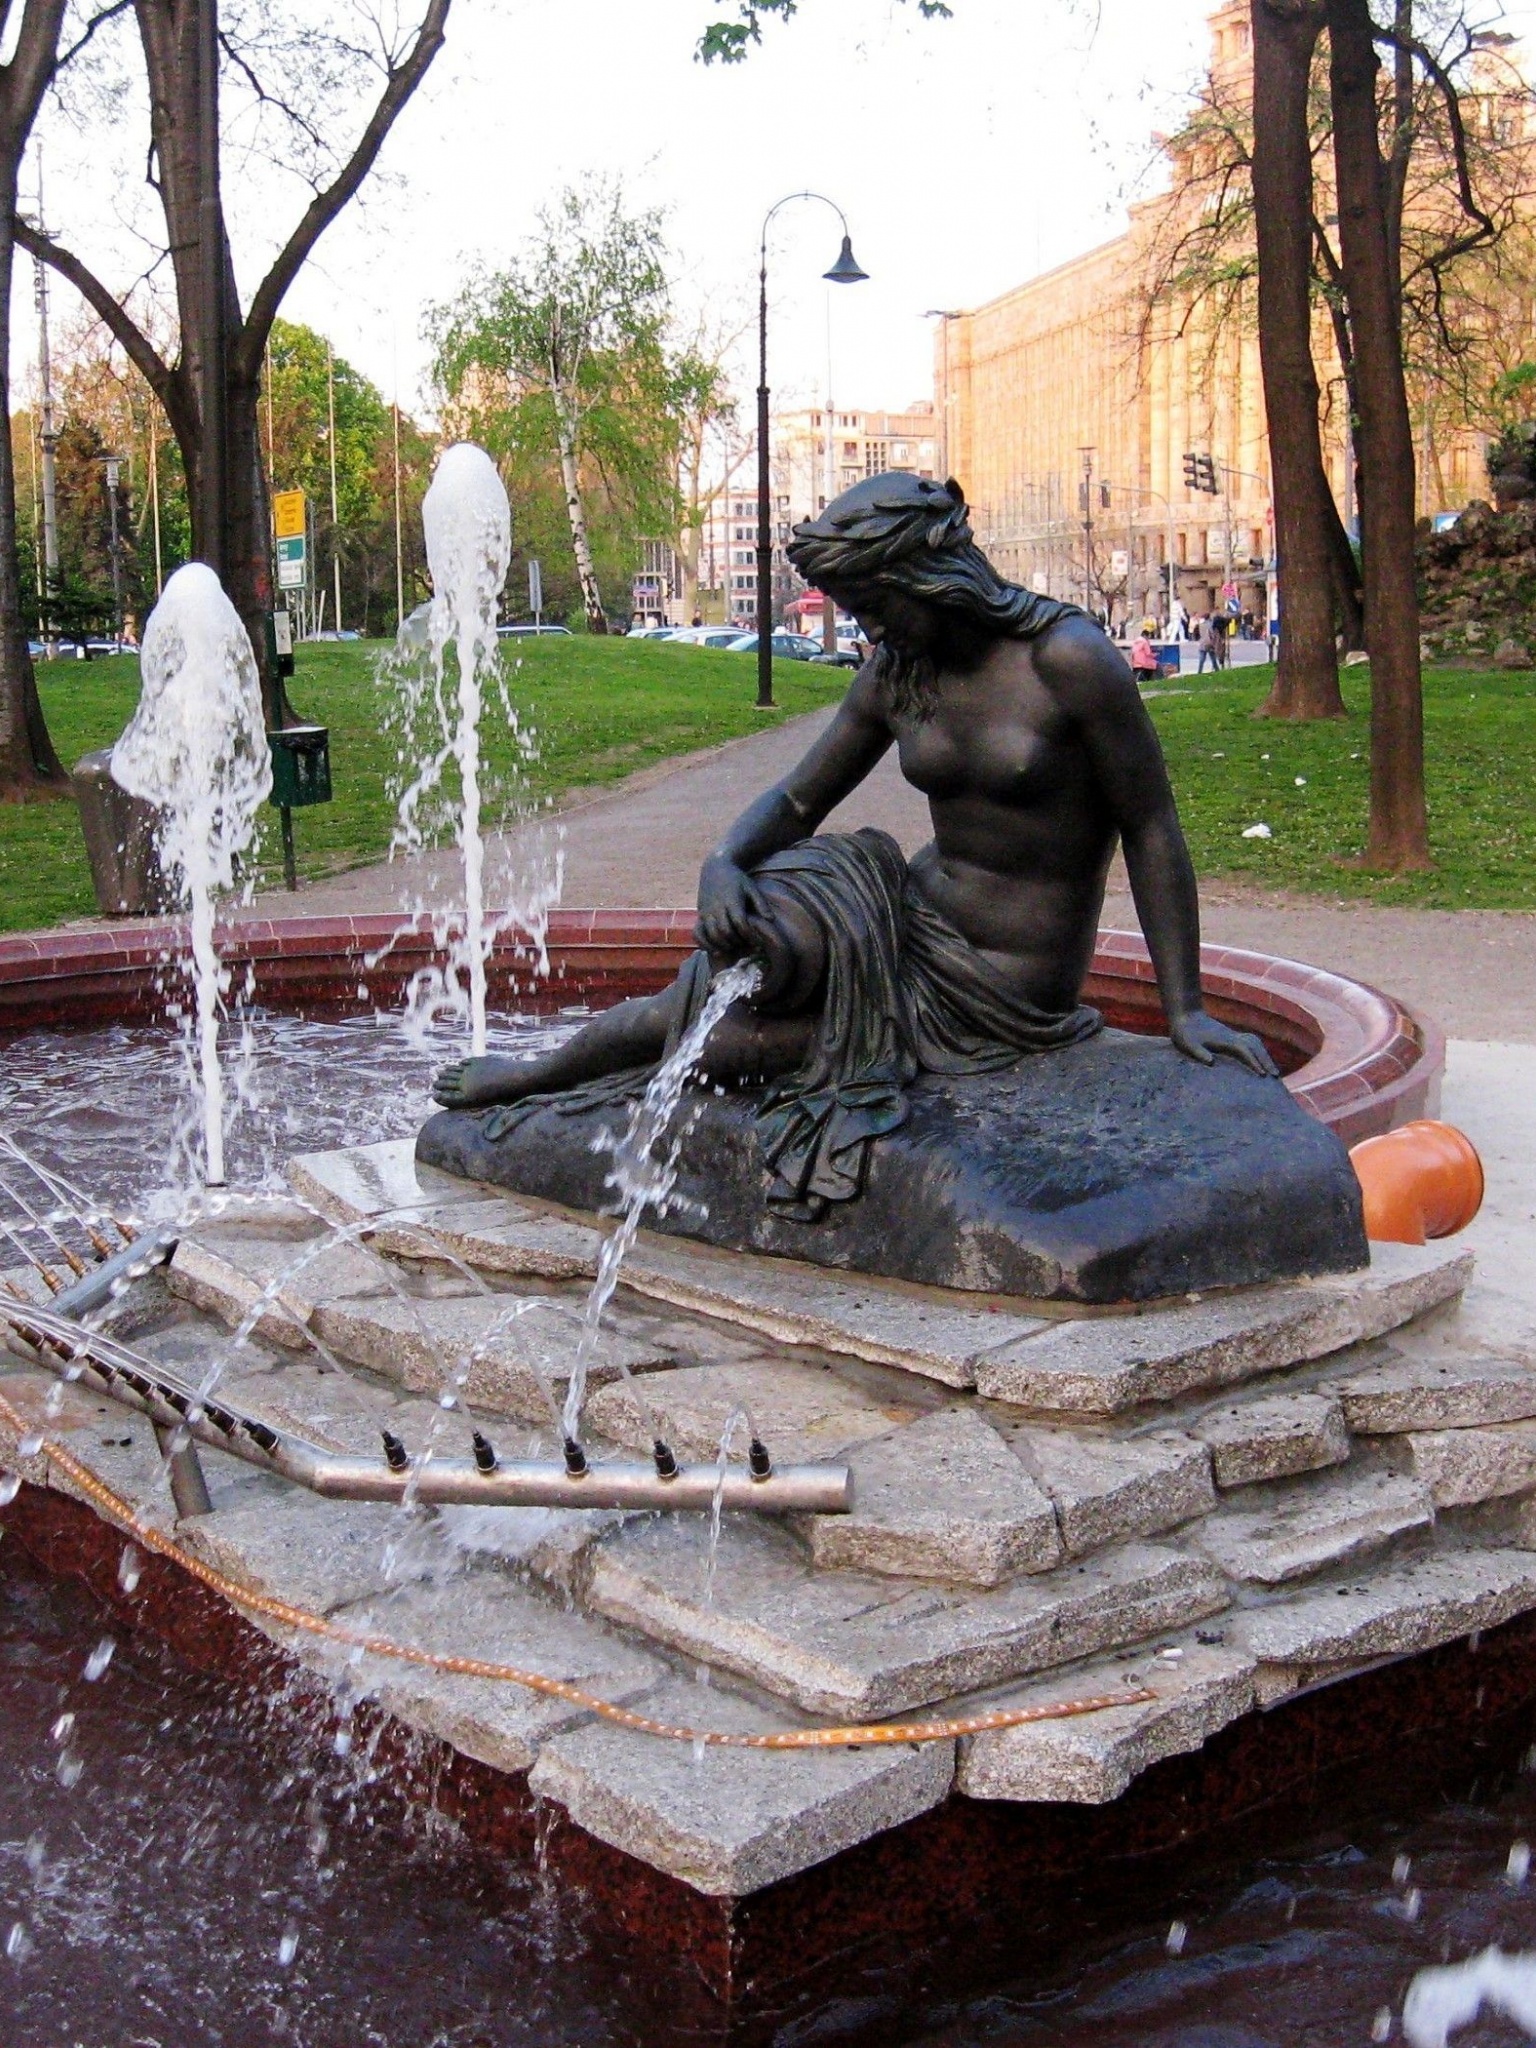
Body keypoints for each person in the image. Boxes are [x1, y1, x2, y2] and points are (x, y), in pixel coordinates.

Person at [433, 473, 1273, 1214]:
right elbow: (800, 798)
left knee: (726, 1046)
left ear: (930, 577)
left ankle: (550, 1082)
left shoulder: (1070, 660)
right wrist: (724, 865)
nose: (869, 626)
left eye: (877, 604)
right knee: (741, 953)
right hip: (900, 912)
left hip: (1002, 981)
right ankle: (540, 1072)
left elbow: (1151, 829)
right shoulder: (897, 669)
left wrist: (1184, 1007)